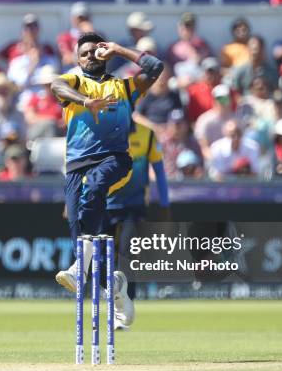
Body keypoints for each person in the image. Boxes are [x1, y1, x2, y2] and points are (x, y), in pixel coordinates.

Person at [50, 32, 164, 328]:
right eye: (83, 53)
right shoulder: (75, 81)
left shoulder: (123, 87)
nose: (89, 56)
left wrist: (119, 50)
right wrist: (87, 102)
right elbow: (56, 86)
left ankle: (80, 269)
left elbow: (155, 68)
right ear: (77, 58)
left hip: (114, 158)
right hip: (76, 165)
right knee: (78, 224)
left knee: (96, 185)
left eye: (94, 51)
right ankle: (114, 287)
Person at [194, 84, 236, 159]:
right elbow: (204, 148)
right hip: (214, 160)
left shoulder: (236, 118)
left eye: (225, 99)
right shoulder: (204, 120)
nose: (223, 102)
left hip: (235, 159)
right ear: (214, 100)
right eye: (220, 99)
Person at [24, 65, 63, 140]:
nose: (49, 87)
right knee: (49, 125)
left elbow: (65, 122)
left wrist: (55, 123)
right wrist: (50, 121)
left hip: (57, 133)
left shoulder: (63, 101)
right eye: (47, 85)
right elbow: (30, 118)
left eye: (51, 84)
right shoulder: (36, 98)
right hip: (37, 132)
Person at [57, 2, 94, 71]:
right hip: (71, 73)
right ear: (72, 19)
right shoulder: (64, 37)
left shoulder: (97, 35)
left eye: (85, 18)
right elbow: (67, 58)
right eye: (79, 18)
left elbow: (103, 56)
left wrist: (91, 36)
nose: (82, 21)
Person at [186, 57, 221, 124]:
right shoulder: (194, 91)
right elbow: (191, 117)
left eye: (213, 72)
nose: (211, 75)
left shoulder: (225, 90)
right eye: (208, 72)